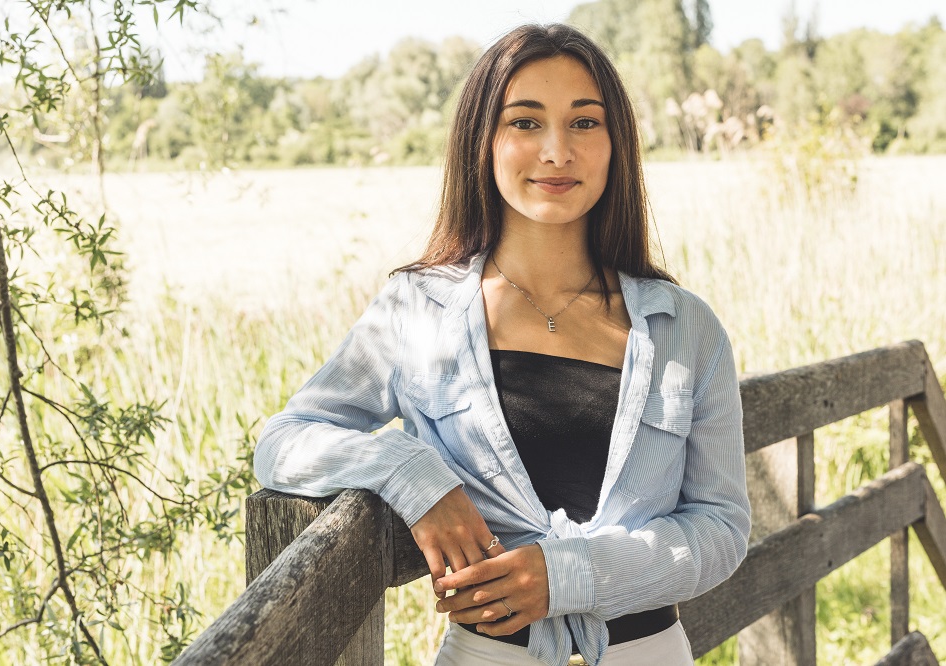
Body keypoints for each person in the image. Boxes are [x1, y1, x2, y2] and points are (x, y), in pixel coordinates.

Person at [254, 23, 750, 666]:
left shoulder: (685, 329)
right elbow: (283, 442)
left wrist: (568, 576)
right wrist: (409, 473)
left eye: (584, 123)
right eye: (524, 122)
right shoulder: (418, 311)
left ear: (615, 143)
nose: (555, 152)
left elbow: (720, 526)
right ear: (482, 142)